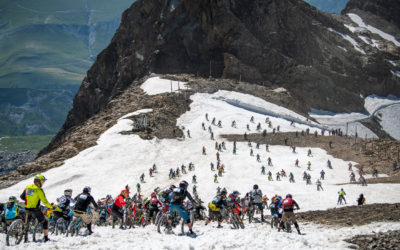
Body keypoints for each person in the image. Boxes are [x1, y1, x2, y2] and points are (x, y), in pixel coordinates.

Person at [20, 174, 60, 242]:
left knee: (27, 223)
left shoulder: (28, 187)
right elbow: (44, 201)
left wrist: (30, 200)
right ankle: (46, 238)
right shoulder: (39, 190)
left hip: (26, 208)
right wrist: (51, 207)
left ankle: (25, 238)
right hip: (35, 210)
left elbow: (22, 197)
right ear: (40, 182)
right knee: (45, 221)